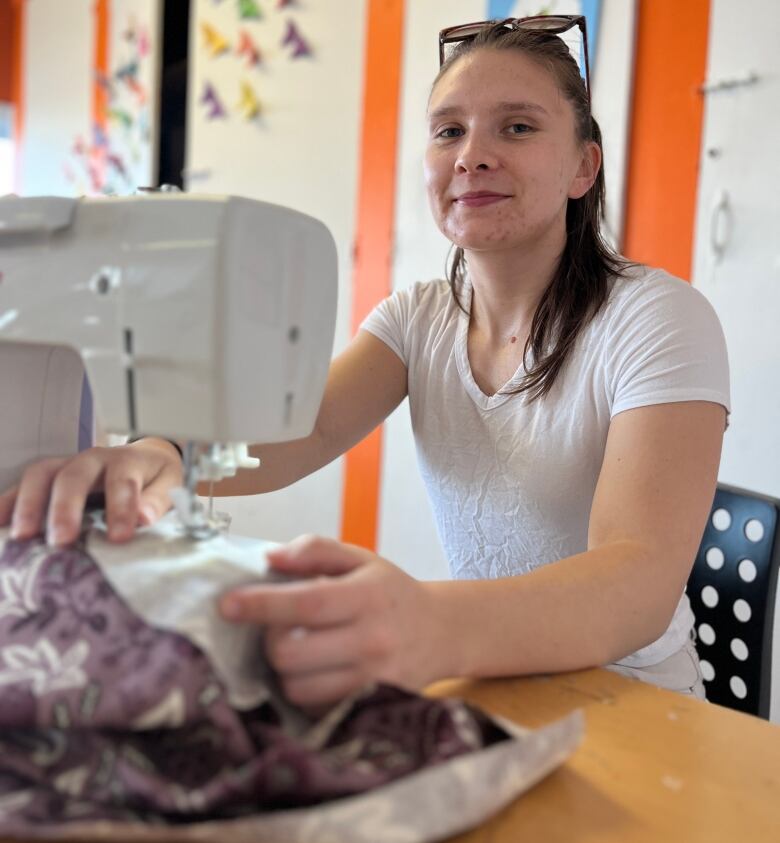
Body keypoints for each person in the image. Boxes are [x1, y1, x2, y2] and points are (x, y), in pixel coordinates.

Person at [0, 18, 729, 708]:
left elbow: (637, 576)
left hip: (641, 704)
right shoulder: (417, 318)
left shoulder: (657, 319)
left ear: (582, 165)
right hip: (501, 683)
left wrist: (427, 622)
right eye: (449, 130)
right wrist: (167, 451)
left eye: (517, 126)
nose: (472, 153)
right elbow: (303, 430)